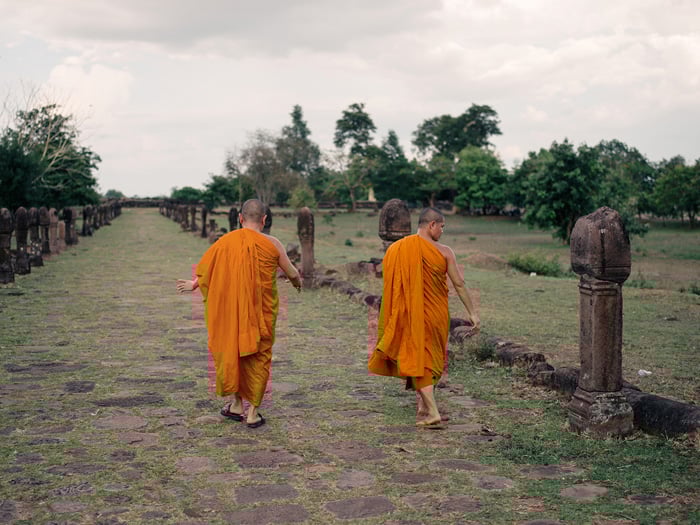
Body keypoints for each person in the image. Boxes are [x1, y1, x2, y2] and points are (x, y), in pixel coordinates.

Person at [177, 199, 301, 428]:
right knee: (259, 356)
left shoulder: (224, 242)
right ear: (264, 220)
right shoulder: (273, 244)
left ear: (241, 219)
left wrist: (194, 284)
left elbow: (208, 269)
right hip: (260, 313)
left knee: (232, 350)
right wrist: (297, 283)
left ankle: (235, 405)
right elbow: (292, 272)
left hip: (232, 313)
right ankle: (252, 412)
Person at [368, 207, 480, 427]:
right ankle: (427, 409)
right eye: (442, 227)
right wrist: (472, 313)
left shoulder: (397, 249)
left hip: (412, 313)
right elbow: (459, 283)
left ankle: (430, 410)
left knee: (421, 358)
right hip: (437, 313)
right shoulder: (445, 251)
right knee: (429, 358)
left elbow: (392, 284)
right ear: (432, 225)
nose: (442, 232)